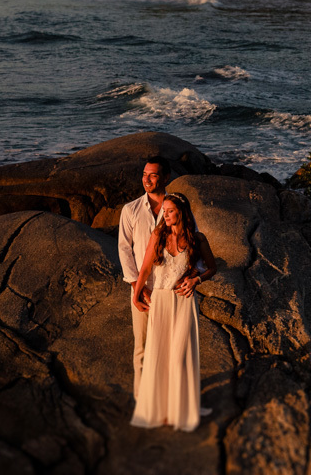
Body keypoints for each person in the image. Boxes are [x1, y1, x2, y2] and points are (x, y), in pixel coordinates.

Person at [130, 192, 217, 431]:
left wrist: (196, 280)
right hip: (160, 301)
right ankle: (162, 410)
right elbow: (145, 268)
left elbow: (212, 268)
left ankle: (180, 410)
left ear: (182, 212)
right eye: (164, 211)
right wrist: (136, 295)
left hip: (184, 303)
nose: (165, 215)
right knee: (159, 358)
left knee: (180, 358)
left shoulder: (197, 239)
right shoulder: (158, 235)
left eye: (170, 211)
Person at [118, 156, 170, 399]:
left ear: (166, 178)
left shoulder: (177, 207)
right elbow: (124, 249)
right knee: (142, 348)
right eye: (144, 174)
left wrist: (194, 276)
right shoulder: (130, 210)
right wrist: (136, 286)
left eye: (153, 175)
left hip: (170, 288)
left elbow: (193, 240)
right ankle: (142, 402)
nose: (146, 180)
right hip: (141, 288)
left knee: (168, 348)